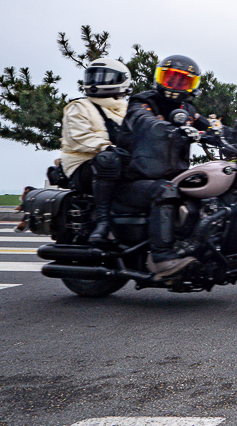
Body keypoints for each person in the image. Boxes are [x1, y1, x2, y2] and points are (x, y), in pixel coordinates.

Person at [116, 55, 214, 278]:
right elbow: (143, 120)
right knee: (165, 190)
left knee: (203, 194)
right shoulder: (142, 101)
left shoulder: (186, 108)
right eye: (170, 79)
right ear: (159, 78)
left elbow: (208, 125)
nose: (176, 86)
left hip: (170, 177)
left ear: (192, 85)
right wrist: (167, 128)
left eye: (183, 81)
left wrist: (235, 136)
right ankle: (160, 257)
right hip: (134, 181)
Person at [60, 58, 131, 244]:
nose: (95, 82)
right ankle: (103, 221)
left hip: (117, 163)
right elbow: (79, 137)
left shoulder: (129, 110)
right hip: (83, 166)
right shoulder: (79, 107)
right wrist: (106, 147)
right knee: (108, 159)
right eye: (92, 77)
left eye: (103, 76)